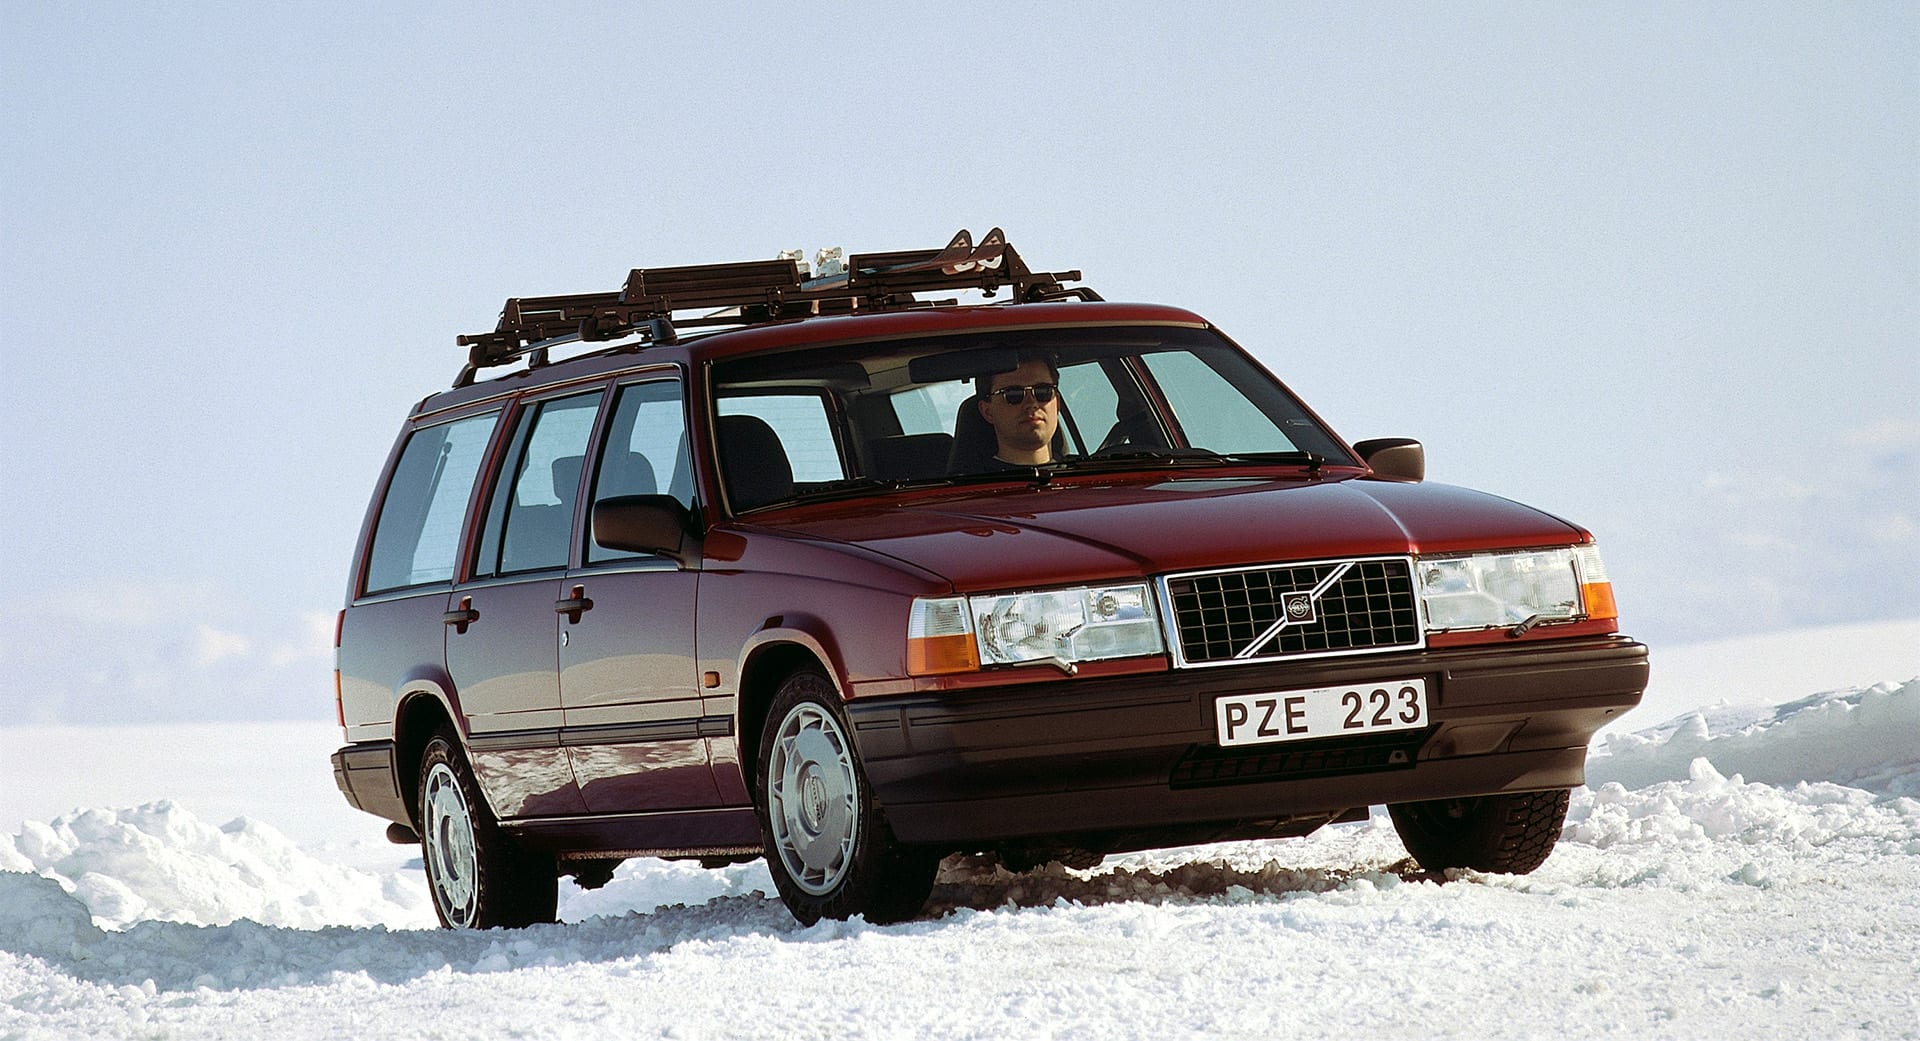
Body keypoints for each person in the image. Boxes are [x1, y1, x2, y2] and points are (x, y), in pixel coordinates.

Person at [976, 355, 1062, 467]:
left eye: (1043, 391)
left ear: (1057, 403)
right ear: (987, 411)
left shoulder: (1083, 471)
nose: (1031, 404)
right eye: (1013, 394)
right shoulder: (971, 478)